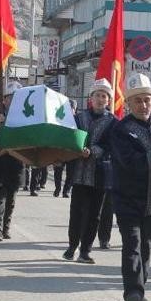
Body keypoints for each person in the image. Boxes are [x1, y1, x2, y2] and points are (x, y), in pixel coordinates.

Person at [109, 74, 151, 301]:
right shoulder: (121, 129)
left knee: (147, 246)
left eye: (147, 100)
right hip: (128, 199)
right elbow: (130, 162)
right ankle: (133, 293)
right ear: (128, 103)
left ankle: (140, 288)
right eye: (137, 100)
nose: (143, 105)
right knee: (132, 245)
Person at [62, 79, 117, 264]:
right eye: (97, 95)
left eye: (104, 96)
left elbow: (112, 146)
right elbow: (70, 137)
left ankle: (85, 251)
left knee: (94, 215)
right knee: (76, 212)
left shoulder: (113, 122)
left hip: (100, 175)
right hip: (79, 173)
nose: (100, 99)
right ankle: (72, 247)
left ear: (108, 100)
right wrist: (76, 150)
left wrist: (93, 151)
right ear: (90, 98)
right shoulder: (79, 118)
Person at [0, 81, 25, 242]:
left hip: (16, 163)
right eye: (11, 97)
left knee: (11, 198)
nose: (14, 101)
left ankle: (6, 227)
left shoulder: (26, 118)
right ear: (4, 100)